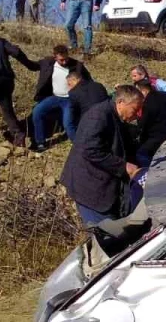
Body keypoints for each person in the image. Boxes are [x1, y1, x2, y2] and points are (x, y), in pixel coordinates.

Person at [59, 86, 143, 225]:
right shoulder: (98, 115)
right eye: (135, 110)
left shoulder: (115, 116)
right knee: (105, 233)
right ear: (121, 103)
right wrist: (124, 166)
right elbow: (90, 149)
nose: (137, 115)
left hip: (105, 187)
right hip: (89, 189)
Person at [30, 45, 92, 152]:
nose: (64, 62)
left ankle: (79, 147)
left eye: (66, 59)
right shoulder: (48, 63)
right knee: (37, 112)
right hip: (54, 97)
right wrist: (19, 54)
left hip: (69, 100)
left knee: (68, 124)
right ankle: (40, 142)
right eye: (61, 60)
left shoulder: (77, 66)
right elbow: (32, 66)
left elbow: (89, 81)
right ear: (55, 57)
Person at [132, 78, 166, 165]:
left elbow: (142, 126)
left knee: (140, 154)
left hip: (157, 141)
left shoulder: (146, 104)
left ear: (142, 91)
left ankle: (148, 174)